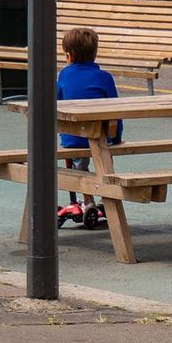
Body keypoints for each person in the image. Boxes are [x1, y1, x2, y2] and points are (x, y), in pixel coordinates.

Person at [55, 26, 122, 227]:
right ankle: (105, 197)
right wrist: (116, 137)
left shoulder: (64, 76)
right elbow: (116, 111)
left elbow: (57, 104)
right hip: (103, 137)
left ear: (69, 56)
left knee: (79, 165)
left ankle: (87, 201)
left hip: (73, 138)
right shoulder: (105, 77)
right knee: (104, 161)